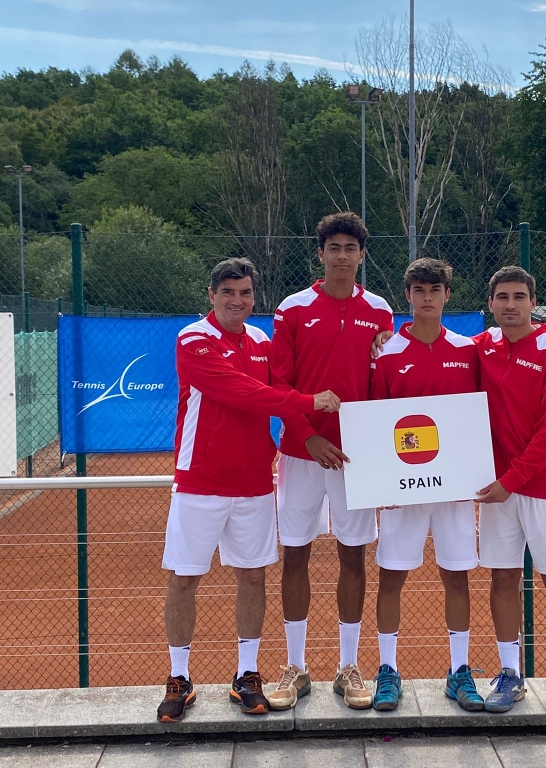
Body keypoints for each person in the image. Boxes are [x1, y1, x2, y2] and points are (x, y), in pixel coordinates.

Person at [156, 257, 340, 723]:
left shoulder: (262, 340)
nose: (237, 301)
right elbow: (237, 391)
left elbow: (281, 383)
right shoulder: (193, 339)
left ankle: (246, 674)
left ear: (253, 297)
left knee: (253, 576)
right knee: (184, 578)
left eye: (245, 293)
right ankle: (179, 678)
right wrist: (305, 401)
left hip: (256, 482)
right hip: (200, 480)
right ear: (212, 295)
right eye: (228, 293)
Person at [267, 212, 394, 711]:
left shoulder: (381, 310)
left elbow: (386, 381)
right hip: (301, 454)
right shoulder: (293, 309)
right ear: (320, 254)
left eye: (350, 248)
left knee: (352, 555)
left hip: (357, 457)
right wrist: (306, 435)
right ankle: (296, 666)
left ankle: (348, 666)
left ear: (362, 255)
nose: (342, 256)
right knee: (295, 553)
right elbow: (278, 383)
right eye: (333, 247)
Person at [368, 258, 485, 712]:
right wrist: (384, 482)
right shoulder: (388, 353)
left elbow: (477, 418)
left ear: (447, 296)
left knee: (457, 577)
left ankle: (459, 671)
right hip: (403, 487)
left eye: (435, 290)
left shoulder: (468, 350)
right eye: (419, 290)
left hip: (454, 488)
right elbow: (377, 422)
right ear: (408, 296)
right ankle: (388, 670)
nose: (427, 297)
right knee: (392, 576)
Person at [474, 265, 546, 718]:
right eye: (503, 297)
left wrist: (509, 482)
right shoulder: (480, 348)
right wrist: (388, 336)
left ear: (533, 303)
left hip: (539, 485)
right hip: (497, 489)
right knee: (502, 577)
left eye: (519, 296)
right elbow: (433, 346)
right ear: (492, 304)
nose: (511, 304)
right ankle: (509, 673)